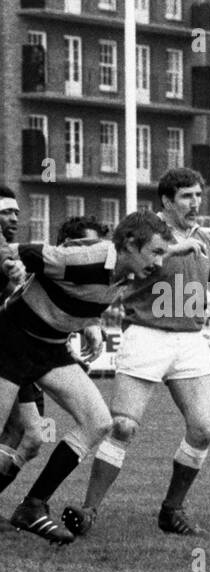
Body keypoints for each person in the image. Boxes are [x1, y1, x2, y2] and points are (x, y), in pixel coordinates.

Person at [65, 169, 210, 537]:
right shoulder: (145, 233)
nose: (195, 203)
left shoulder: (206, 241)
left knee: (203, 430)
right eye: (187, 196)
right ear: (167, 201)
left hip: (190, 341)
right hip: (146, 335)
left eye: (198, 195)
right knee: (123, 426)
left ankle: (172, 509)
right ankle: (88, 510)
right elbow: (115, 269)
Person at [0, 212, 172, 542]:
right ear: (131, 245)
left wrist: (90, 322)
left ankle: (32, 506)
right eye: (156, 252)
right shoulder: (86, 259)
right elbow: (22, 251)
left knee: (98, 422)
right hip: (11, 342)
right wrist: (11, 263)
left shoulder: (128, 270)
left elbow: (82, 297)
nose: (160, 261)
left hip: (50, 349)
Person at [0, 185, 49, 510]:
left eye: (17, 211)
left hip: (13, 352)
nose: (14, 216)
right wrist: (13, 269)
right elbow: (9, 264)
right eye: (6, 211)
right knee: (30, 432)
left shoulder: (9, 247)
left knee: (31, 434)